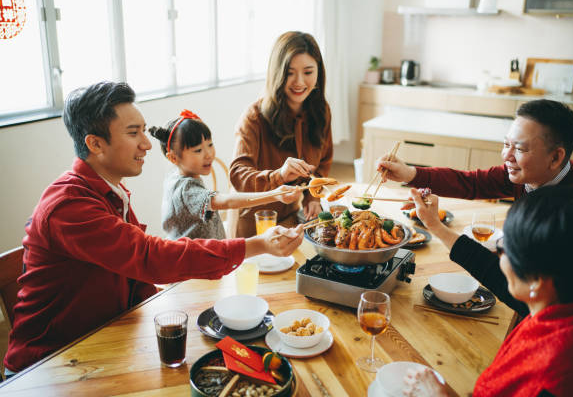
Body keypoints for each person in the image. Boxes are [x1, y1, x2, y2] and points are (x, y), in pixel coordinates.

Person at [3, 82, 304, 376]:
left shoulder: (111, 193)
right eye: (133, 133)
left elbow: (137, 275)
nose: (147, 144)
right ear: (95, 143)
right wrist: (257, 245)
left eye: (143, 131)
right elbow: (150, 257)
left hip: (104, 340)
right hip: (46, 367)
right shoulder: (69, 207)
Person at [402, 186, 573, 396]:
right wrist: (435, 226)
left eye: (504, 249)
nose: (499, 258)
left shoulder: (556, 379)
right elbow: (494, 273)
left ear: (536, 280)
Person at [377, 99, 573, 200]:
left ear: (555, 158)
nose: (506, 156)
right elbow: (471, 183)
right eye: (507, 144)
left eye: (520, 149)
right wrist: (410, 174)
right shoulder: (528, 176)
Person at [230, 31, 334, 237]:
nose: (299, 81)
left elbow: (322, 163)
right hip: (255, 227)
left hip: (291, 222)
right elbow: (238, 174)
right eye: (289, 72)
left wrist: (313, 197)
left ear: (318, 73)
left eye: (308, 71)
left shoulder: (320, 111)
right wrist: (279, 176)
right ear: (277, 73)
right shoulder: (254, 117)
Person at [149, 109, 302, 240]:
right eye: (198, 150)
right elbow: (227, 201)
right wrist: (274, 194)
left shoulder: (175, 175)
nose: (208, 154)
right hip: (197, 267)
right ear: (173, 158)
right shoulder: (185, 189)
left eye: (210, 144)